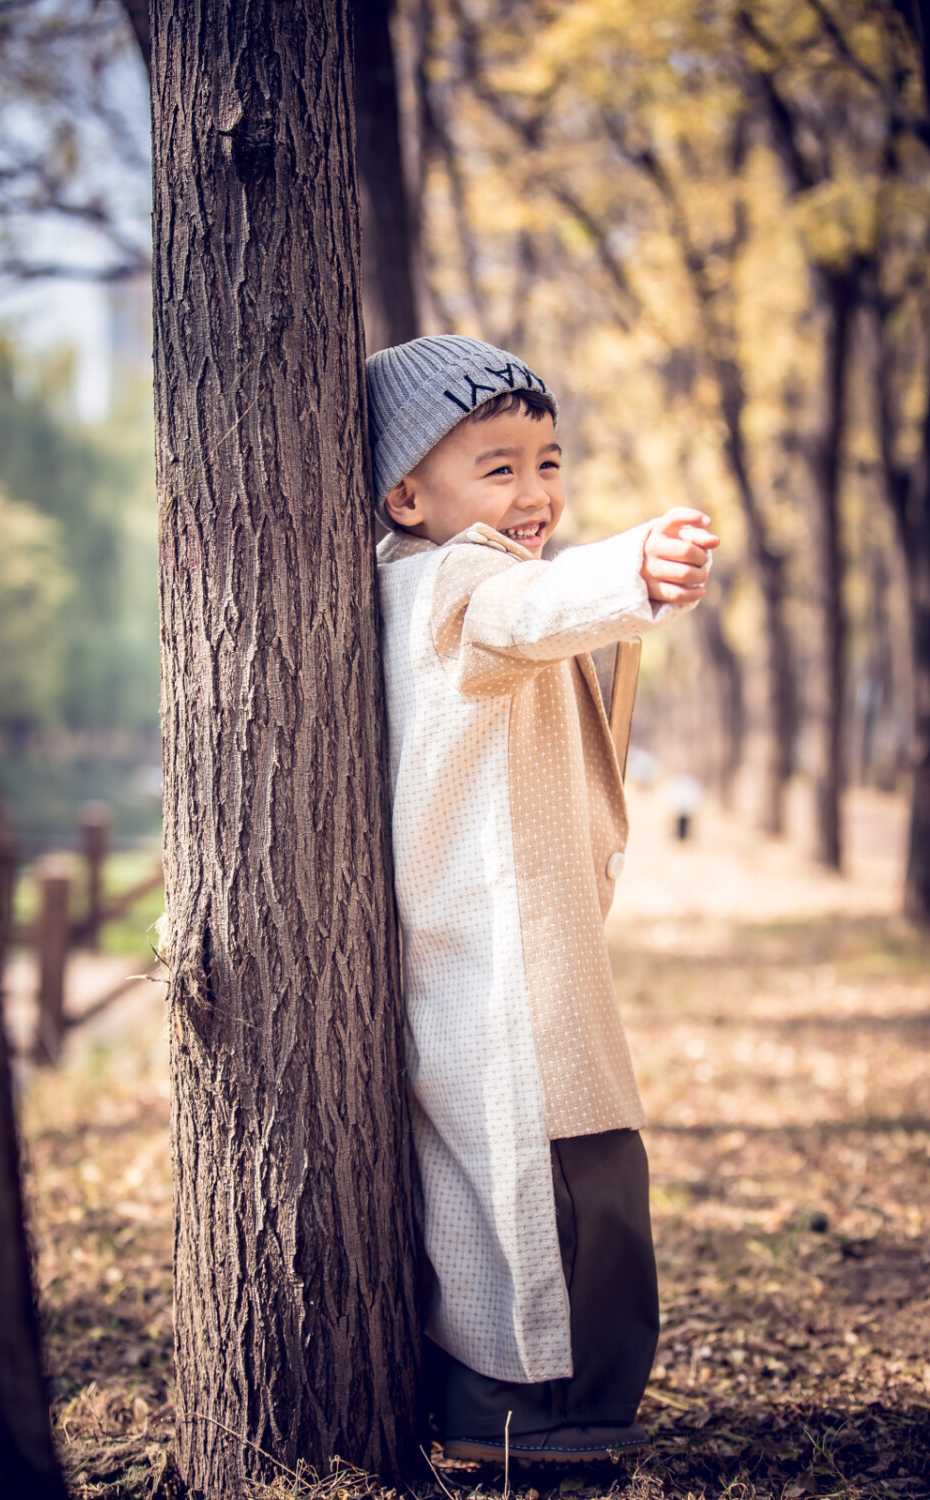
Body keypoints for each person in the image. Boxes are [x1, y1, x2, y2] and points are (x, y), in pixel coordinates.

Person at [368, 335, 718, 1465]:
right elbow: (538, 610)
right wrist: (635, 571)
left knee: (553, 1168)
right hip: (504, 949)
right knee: (552, 1175)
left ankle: (548, 1403)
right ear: (407, 492)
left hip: (514, 932)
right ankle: (534, 1412)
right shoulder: (450, 585)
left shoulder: (437, 581)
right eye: (499, 468)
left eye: (548, 462)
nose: (535, 494)